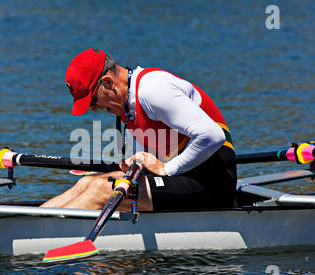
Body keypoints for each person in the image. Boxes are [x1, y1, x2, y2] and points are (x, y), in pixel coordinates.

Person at [41, 48, 236, 211]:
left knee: (101, 190)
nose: (93, 108)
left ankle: (40, 236)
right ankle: (30, 222)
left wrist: (166, 169)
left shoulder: (153, 91)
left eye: (92, 100)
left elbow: (212, 135)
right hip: (185, 176)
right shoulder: (129, 105)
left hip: (211, 182)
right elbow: (147, 157)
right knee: (87, 183)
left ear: (108, 83)